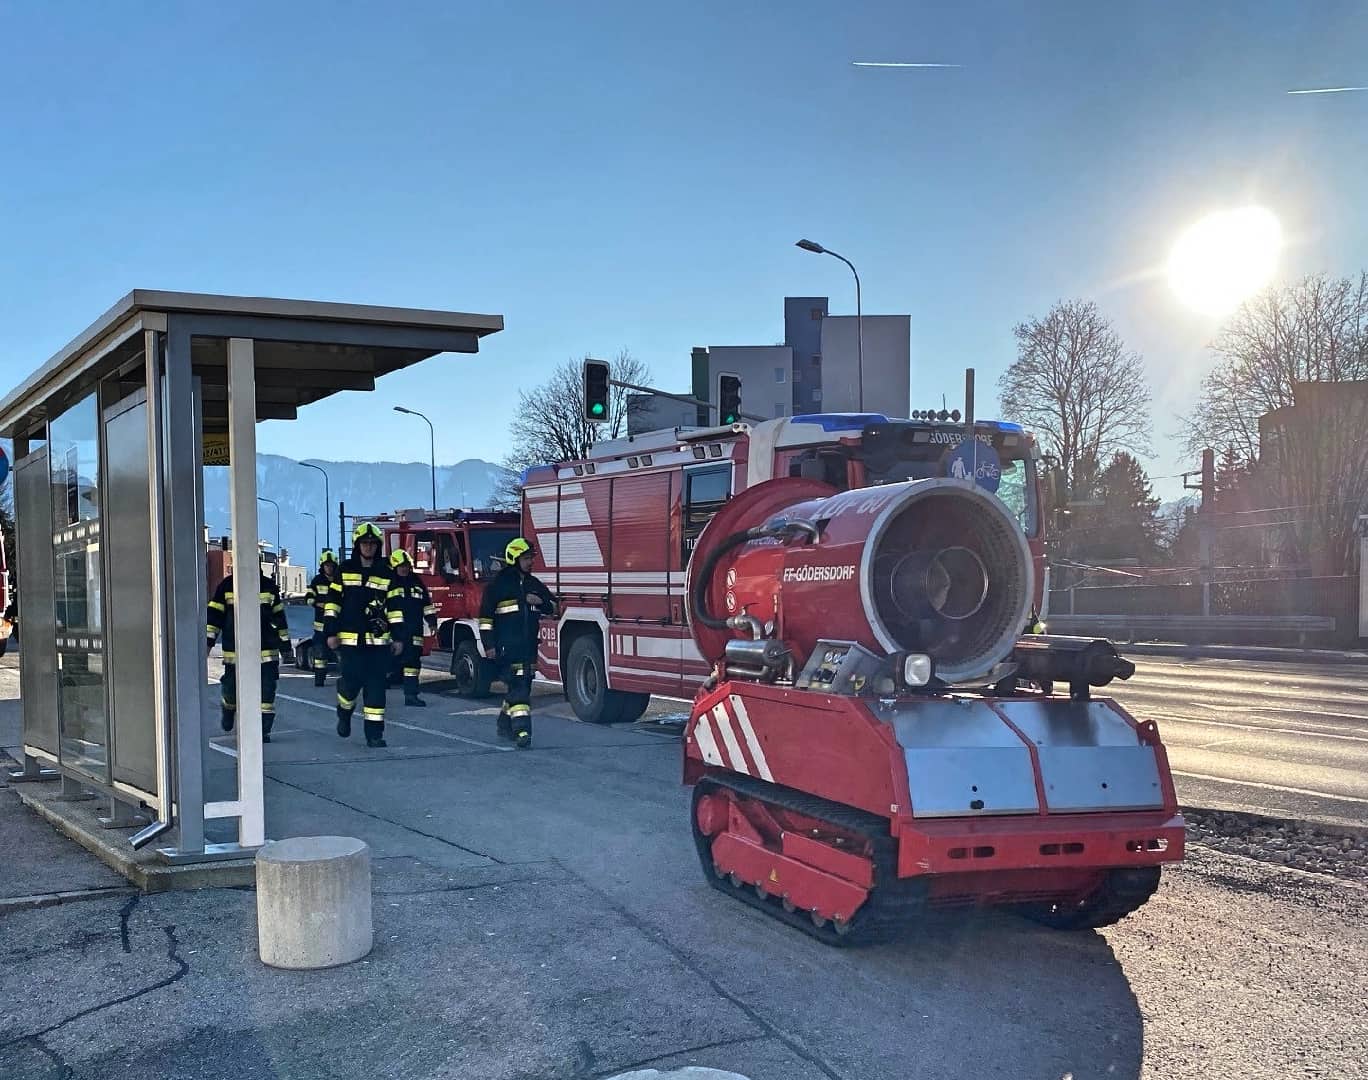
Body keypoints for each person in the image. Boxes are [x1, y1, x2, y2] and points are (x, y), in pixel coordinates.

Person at [325, 522, 404, 748]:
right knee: (350, 686)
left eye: (372, 543)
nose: (368, 547)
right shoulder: (345, 570)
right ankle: (344, 712)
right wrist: (331, 632)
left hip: (378, 645)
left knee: (376, 690)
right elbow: (332, 605)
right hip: (350, 643)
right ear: (357, 545)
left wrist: (398, 637)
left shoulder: (387, 573)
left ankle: (375, 735)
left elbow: (396, 608)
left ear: (377, 546)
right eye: (364, 543)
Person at [479, 536, 557, 749]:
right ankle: (522, 731)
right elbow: (485, 619)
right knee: (520, 689)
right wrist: (489, 646)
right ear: (514, 558)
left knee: (519, 689)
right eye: (526, 558)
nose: (530, 562)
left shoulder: (534, 584)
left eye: (531, 558)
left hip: (529, 649)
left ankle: (504, 724)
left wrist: (540, 602)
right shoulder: (498, 586)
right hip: (507, 649)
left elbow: (555, 607)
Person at [207, 569, 292, 743]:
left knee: (267, 691)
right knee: (231, 688)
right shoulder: (226, 586)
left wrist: (286, 647)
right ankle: (228, 709)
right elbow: (214, 617)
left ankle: (263, 730)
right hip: (236, 649)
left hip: (266, 649)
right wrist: (208, 643)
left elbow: (279, 619)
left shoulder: (268, 586)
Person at [388, 549, 438, 706]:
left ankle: (411, 695)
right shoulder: (388, 583)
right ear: (394, 567)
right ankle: (381, 684)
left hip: (414, 630)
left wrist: (432, 622)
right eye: (401, 566)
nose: (404, 569)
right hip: (393, 631)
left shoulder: (417, 582)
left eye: (406, 566)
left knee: (413, 664)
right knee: (387, 661)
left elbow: (427, 605)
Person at [305, 549, 339, 687]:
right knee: (320, 654)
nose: (329, 567)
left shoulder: (339, 579)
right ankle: (319, 679)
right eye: (327, 565)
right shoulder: (317, 580)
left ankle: (347, 677)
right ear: (322, 566)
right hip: (321, 625)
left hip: (337, 624)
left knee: (343, 653)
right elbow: (308, 598)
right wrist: (318, 604)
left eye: (331, 565)